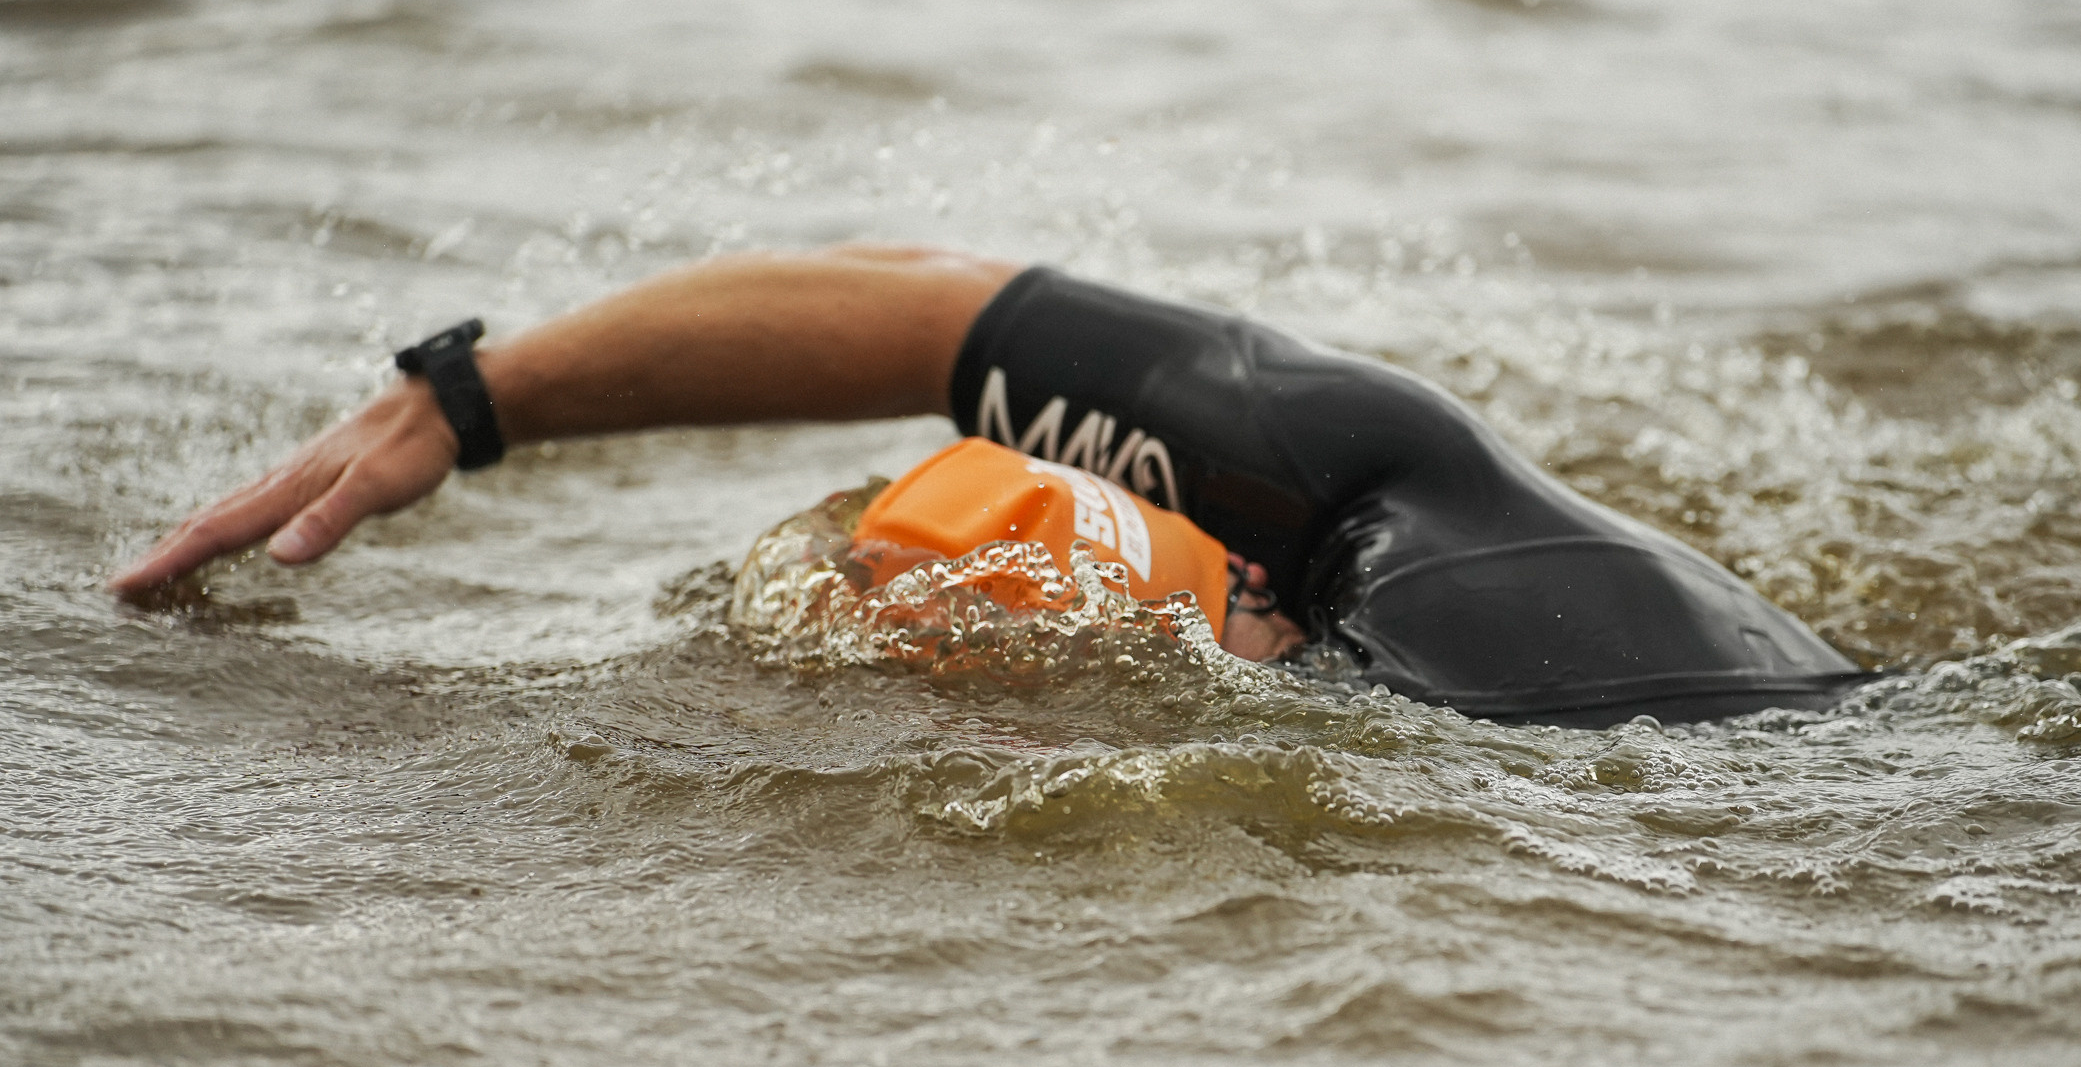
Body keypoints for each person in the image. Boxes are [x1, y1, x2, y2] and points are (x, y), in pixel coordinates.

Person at [111, 244, 1867, 724]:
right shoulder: (1317, 601)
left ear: (1244, 582)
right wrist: (473, 404)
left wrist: (471, 391)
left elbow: (936, 306)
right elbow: (935, 327)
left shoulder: (1373, 479)